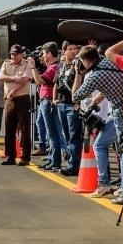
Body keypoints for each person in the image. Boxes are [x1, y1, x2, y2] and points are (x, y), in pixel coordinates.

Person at [76, 45, 123, 196]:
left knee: (120, 151)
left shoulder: (96, 75)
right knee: (121, 151)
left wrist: (77, 74)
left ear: (85, 61)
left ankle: (115, 186)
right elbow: (107, 89)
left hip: (119, 114)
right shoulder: (110, 63)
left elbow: (76, 96)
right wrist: (93, 103)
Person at [0, 45, 36, 165]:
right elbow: (0, 77)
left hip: (22, 99)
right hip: (9, 100)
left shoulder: (26, 64)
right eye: (12, 54)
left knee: (24, 129)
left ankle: (25, 157)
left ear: (21, 54)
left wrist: (13, 91)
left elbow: (25, 79)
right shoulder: (6, 63)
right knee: (9, 129)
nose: (14, 56)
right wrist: (14, 78)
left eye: (16, 54)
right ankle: (10, 156)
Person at [35, 44, 67, 170]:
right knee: (51, 133)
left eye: (43, 53)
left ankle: (55, 162)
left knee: (52, 132)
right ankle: (51, 160)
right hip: (47, 100)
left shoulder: (54, 67)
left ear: (49, 54)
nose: (42, 56)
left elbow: (39, 81)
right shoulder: (51, 67)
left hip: (48, 101)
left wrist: (32, 67)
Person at [54, 42, 82, 176]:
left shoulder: (78, 66)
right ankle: (72, 161)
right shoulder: (61, 66)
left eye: (75, 49)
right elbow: (56, 83)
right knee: (67, 135)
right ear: (64, 51)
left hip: (73, 105)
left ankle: (73, 165)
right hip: (62, 104)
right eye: (70, 49)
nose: (73, 51)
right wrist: (54, 98)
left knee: (74, 136)